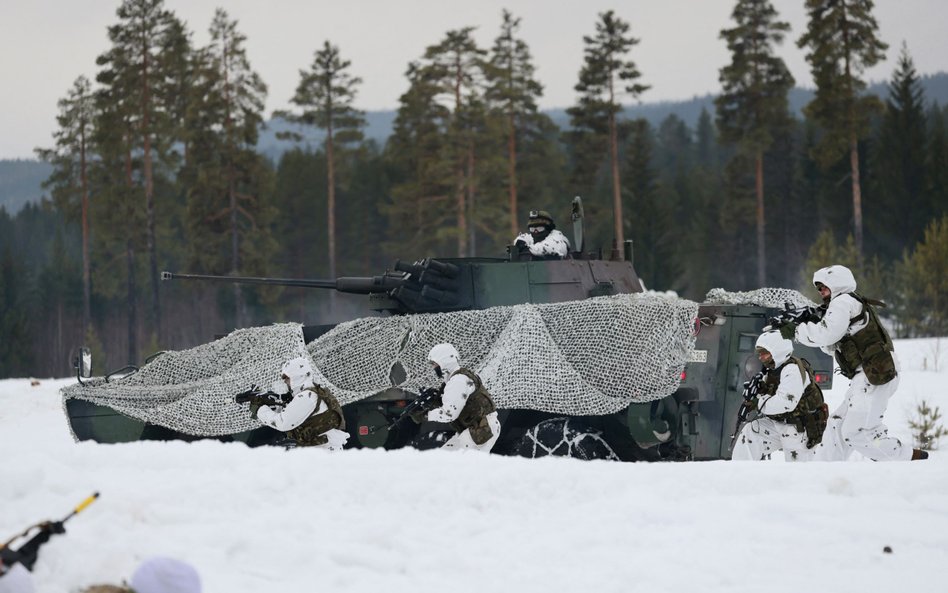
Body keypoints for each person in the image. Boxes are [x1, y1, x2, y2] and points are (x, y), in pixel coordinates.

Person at [787, 264, 927, 461]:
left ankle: (907, 459)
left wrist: (796, 331)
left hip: (874, 376)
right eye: (818, 288)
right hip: (868, 377)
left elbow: (827, 335)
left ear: (836, 284)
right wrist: (812, 324)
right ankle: (824, 474)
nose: (820, 292)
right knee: (836, 426)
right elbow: (830, 345)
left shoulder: (842, 302)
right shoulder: (845, 304)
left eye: (823, 287)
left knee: (857, 433)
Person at [732, 331, 827, 462]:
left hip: (798, 429)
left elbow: (785, 403)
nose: (761, 357)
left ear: (778, 351)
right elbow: (772, 393)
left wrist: (757, 403)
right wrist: (759, 391)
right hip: (779, 424)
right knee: (751, 432)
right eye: (759, 353)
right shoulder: (774, 369)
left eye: (764, 353)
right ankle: (741, 475)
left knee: (797, 474)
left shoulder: (792, 370)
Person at [252, 357, 349, 450]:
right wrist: (273, 406)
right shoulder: (313, 392)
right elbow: (294, 414)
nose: (285, 381)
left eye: (287, 377)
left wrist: (259, 410)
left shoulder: (307, 397)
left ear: (297, 377)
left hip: (322, 451)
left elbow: (283, 422)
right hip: (323, 449)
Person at [419, 343, 500, 452]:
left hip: (482, 429)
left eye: (434, 364)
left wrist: (425, 415)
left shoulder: (458, 381)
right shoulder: (456, 378)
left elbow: (449, 414)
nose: (433, 368)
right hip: (476, 428)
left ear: (444, 362)